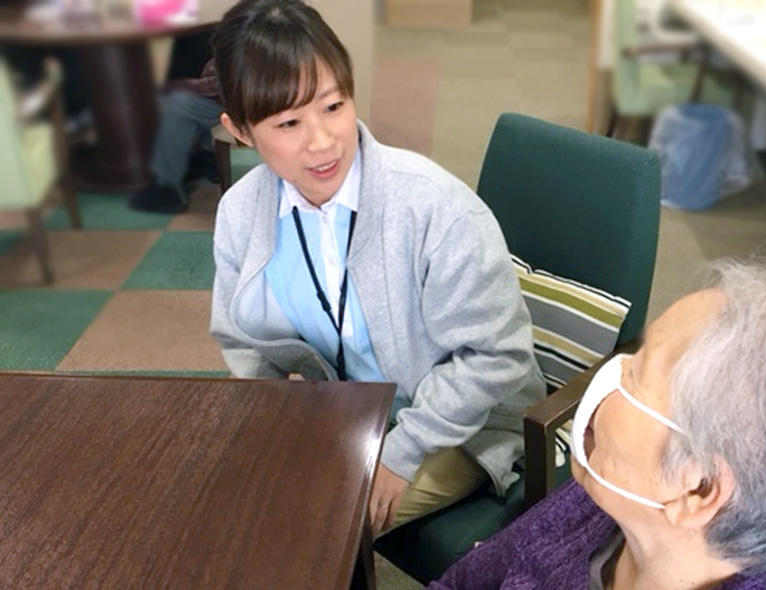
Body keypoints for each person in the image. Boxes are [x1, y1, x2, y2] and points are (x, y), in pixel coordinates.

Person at [207, 0, 545, 536]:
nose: (322, 142)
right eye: (289, 121)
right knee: (226, 501)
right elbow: (244, 343)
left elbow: (498, 355)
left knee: (311, 531)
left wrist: (399, 453)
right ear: (241, 131)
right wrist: (265, 426)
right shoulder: (242, 213)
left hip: (461, 424)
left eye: (334, 106)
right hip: (348, 410)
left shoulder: (434, 207)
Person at [431, 257, 766, 590]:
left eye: (638, 372)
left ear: (699, 489)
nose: (610, 375)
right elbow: (469, 580)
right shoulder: (607, 501)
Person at [128, 55, 223, 213]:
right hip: (232, 94)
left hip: (245, 103)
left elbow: (219, 85)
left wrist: (179, 86)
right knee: (179, 101)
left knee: (180, 105)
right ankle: (206, 158)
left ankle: (166, 189)